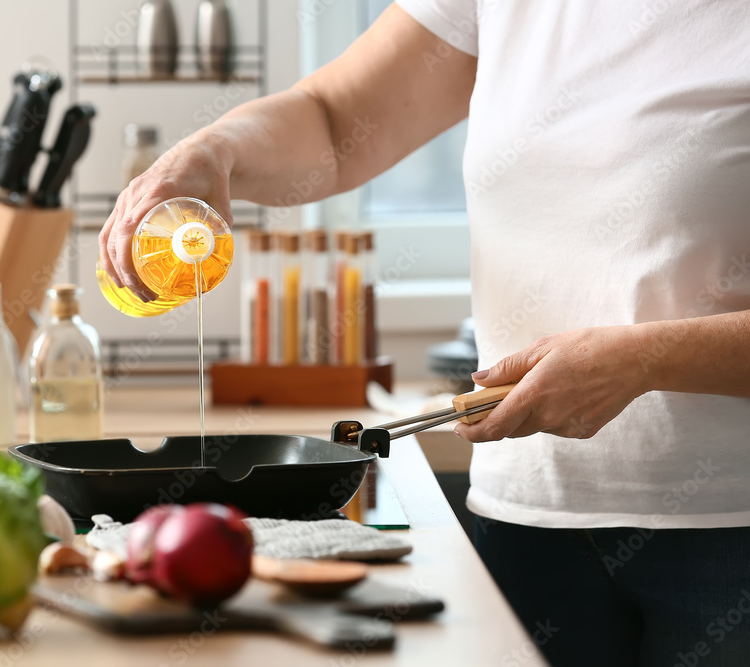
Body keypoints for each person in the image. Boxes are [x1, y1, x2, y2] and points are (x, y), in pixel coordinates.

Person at [99, 2, 750, 664]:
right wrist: (217, 149)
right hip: (524, 515)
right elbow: (333, 122)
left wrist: (644, 359)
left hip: (729, 533)